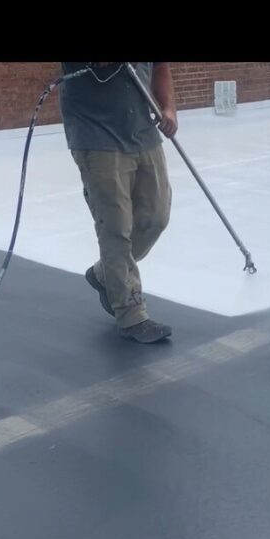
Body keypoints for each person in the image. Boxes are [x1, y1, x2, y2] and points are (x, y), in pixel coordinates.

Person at [59, 62, 178, 343]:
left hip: (142, 131)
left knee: (155, 217)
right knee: (116, 228)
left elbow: (161, 67)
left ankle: (105, 274)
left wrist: (168, 107)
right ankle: (131, 313)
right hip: (97, 135)